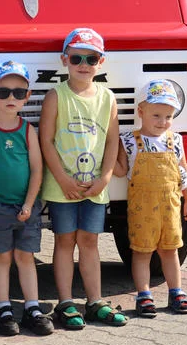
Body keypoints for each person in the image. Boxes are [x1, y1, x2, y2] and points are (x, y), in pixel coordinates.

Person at [39, 27, 126, 329]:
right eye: (77, 57)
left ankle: (94, 301)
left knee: (89, 241)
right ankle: (65, 302)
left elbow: (113, 141)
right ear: (65, 60)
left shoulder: (108, 98)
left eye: (91, 58)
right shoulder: (56, 97)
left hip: (95, 188)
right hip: (62, 187)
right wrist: (62, 179)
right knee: (64, 241)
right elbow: (46, 141)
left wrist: (105, 178)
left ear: (101, 62)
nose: (84, 64)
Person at [0, 60, 53, 337]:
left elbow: (38, 170)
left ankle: (32, 308)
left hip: (26, 207)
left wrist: (30, 204)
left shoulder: (28, 130)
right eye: (3, 92)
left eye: (18, 92)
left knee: (25, 256)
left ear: (28, 96)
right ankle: (3, 309)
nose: (11, 98)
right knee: (2, 257)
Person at [116, 79, 187, 317]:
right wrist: (106, 155)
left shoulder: (175, 140)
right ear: (141, 112)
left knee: (170, 251)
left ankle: (176, 292)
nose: (163, 122)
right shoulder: (130, 140)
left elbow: (183, 172)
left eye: (168, 116)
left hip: (170, 207)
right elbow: (120, 170)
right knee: (142, 251)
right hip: (142, 209)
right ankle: (143, 295)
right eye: (157, 115)